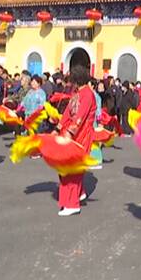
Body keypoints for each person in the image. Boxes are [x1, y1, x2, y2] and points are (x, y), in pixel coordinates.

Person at [56, 66, 97, 216]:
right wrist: (58, 127)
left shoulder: (87, 94)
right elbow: (68, 111)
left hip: (81, 135)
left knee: (71, 169)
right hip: (72, 132)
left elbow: (80, 116)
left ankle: (72, 204)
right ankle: (79, 193)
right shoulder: (77, 93)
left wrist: (69, 132)